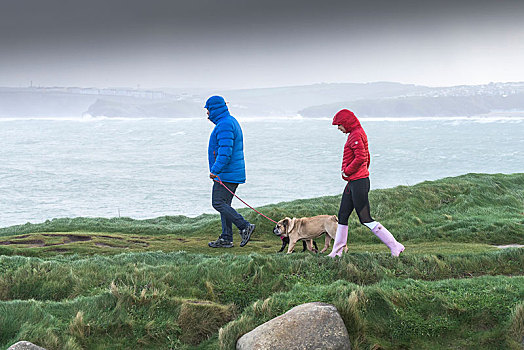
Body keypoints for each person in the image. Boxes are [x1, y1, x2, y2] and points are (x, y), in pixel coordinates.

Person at [328, 109, 405, 257]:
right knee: (342, 215)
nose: (338, 128)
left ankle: (395, 246)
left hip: (358, 182)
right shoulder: (355, 133)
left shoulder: (356, 134)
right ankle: (337, 252)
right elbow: (367, 157)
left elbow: (361, 158)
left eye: (339, 125)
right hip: (354, 182)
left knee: (365, 218)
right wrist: (355, 174)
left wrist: (348, 172)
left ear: (346, 122)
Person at [205, 95, 255, 248]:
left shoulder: (225, 125)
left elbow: (225, 152)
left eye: (208, 110)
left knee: (218, 203)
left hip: (226, 174)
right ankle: (226, 238)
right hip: (231, 173)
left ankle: (245, 226)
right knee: (225, 205)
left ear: (214, 109)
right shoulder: (227, 121)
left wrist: (215, 170)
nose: (207, 113)